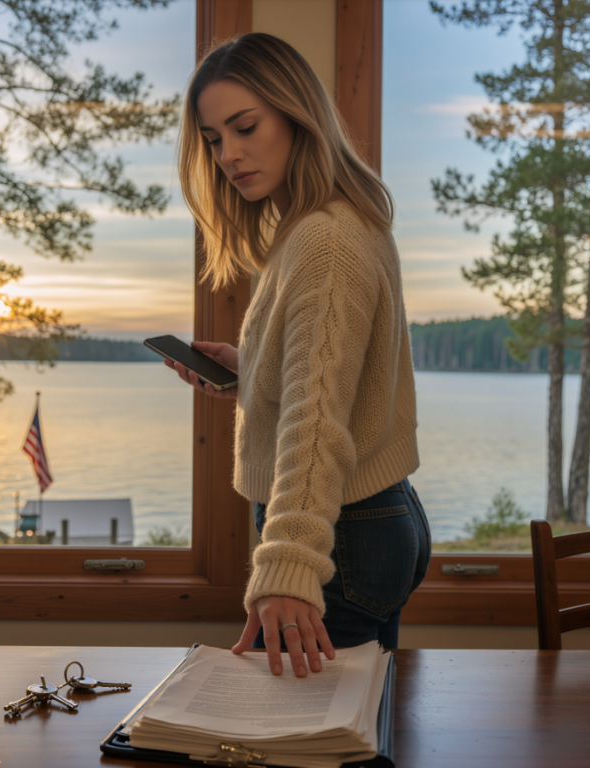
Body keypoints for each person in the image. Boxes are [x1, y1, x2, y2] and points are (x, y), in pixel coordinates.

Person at [168, 33, 431, 678]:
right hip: (371, 515)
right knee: (350, 735)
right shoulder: (336, 221)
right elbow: (339, 378)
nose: (228, 154)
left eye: (245, 126)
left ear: (296, 114)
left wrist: (289, 562)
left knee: (295, 741)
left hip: (338, 534)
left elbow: (316, 422)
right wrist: (250, 369)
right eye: (212, 138)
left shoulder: (324, 239)